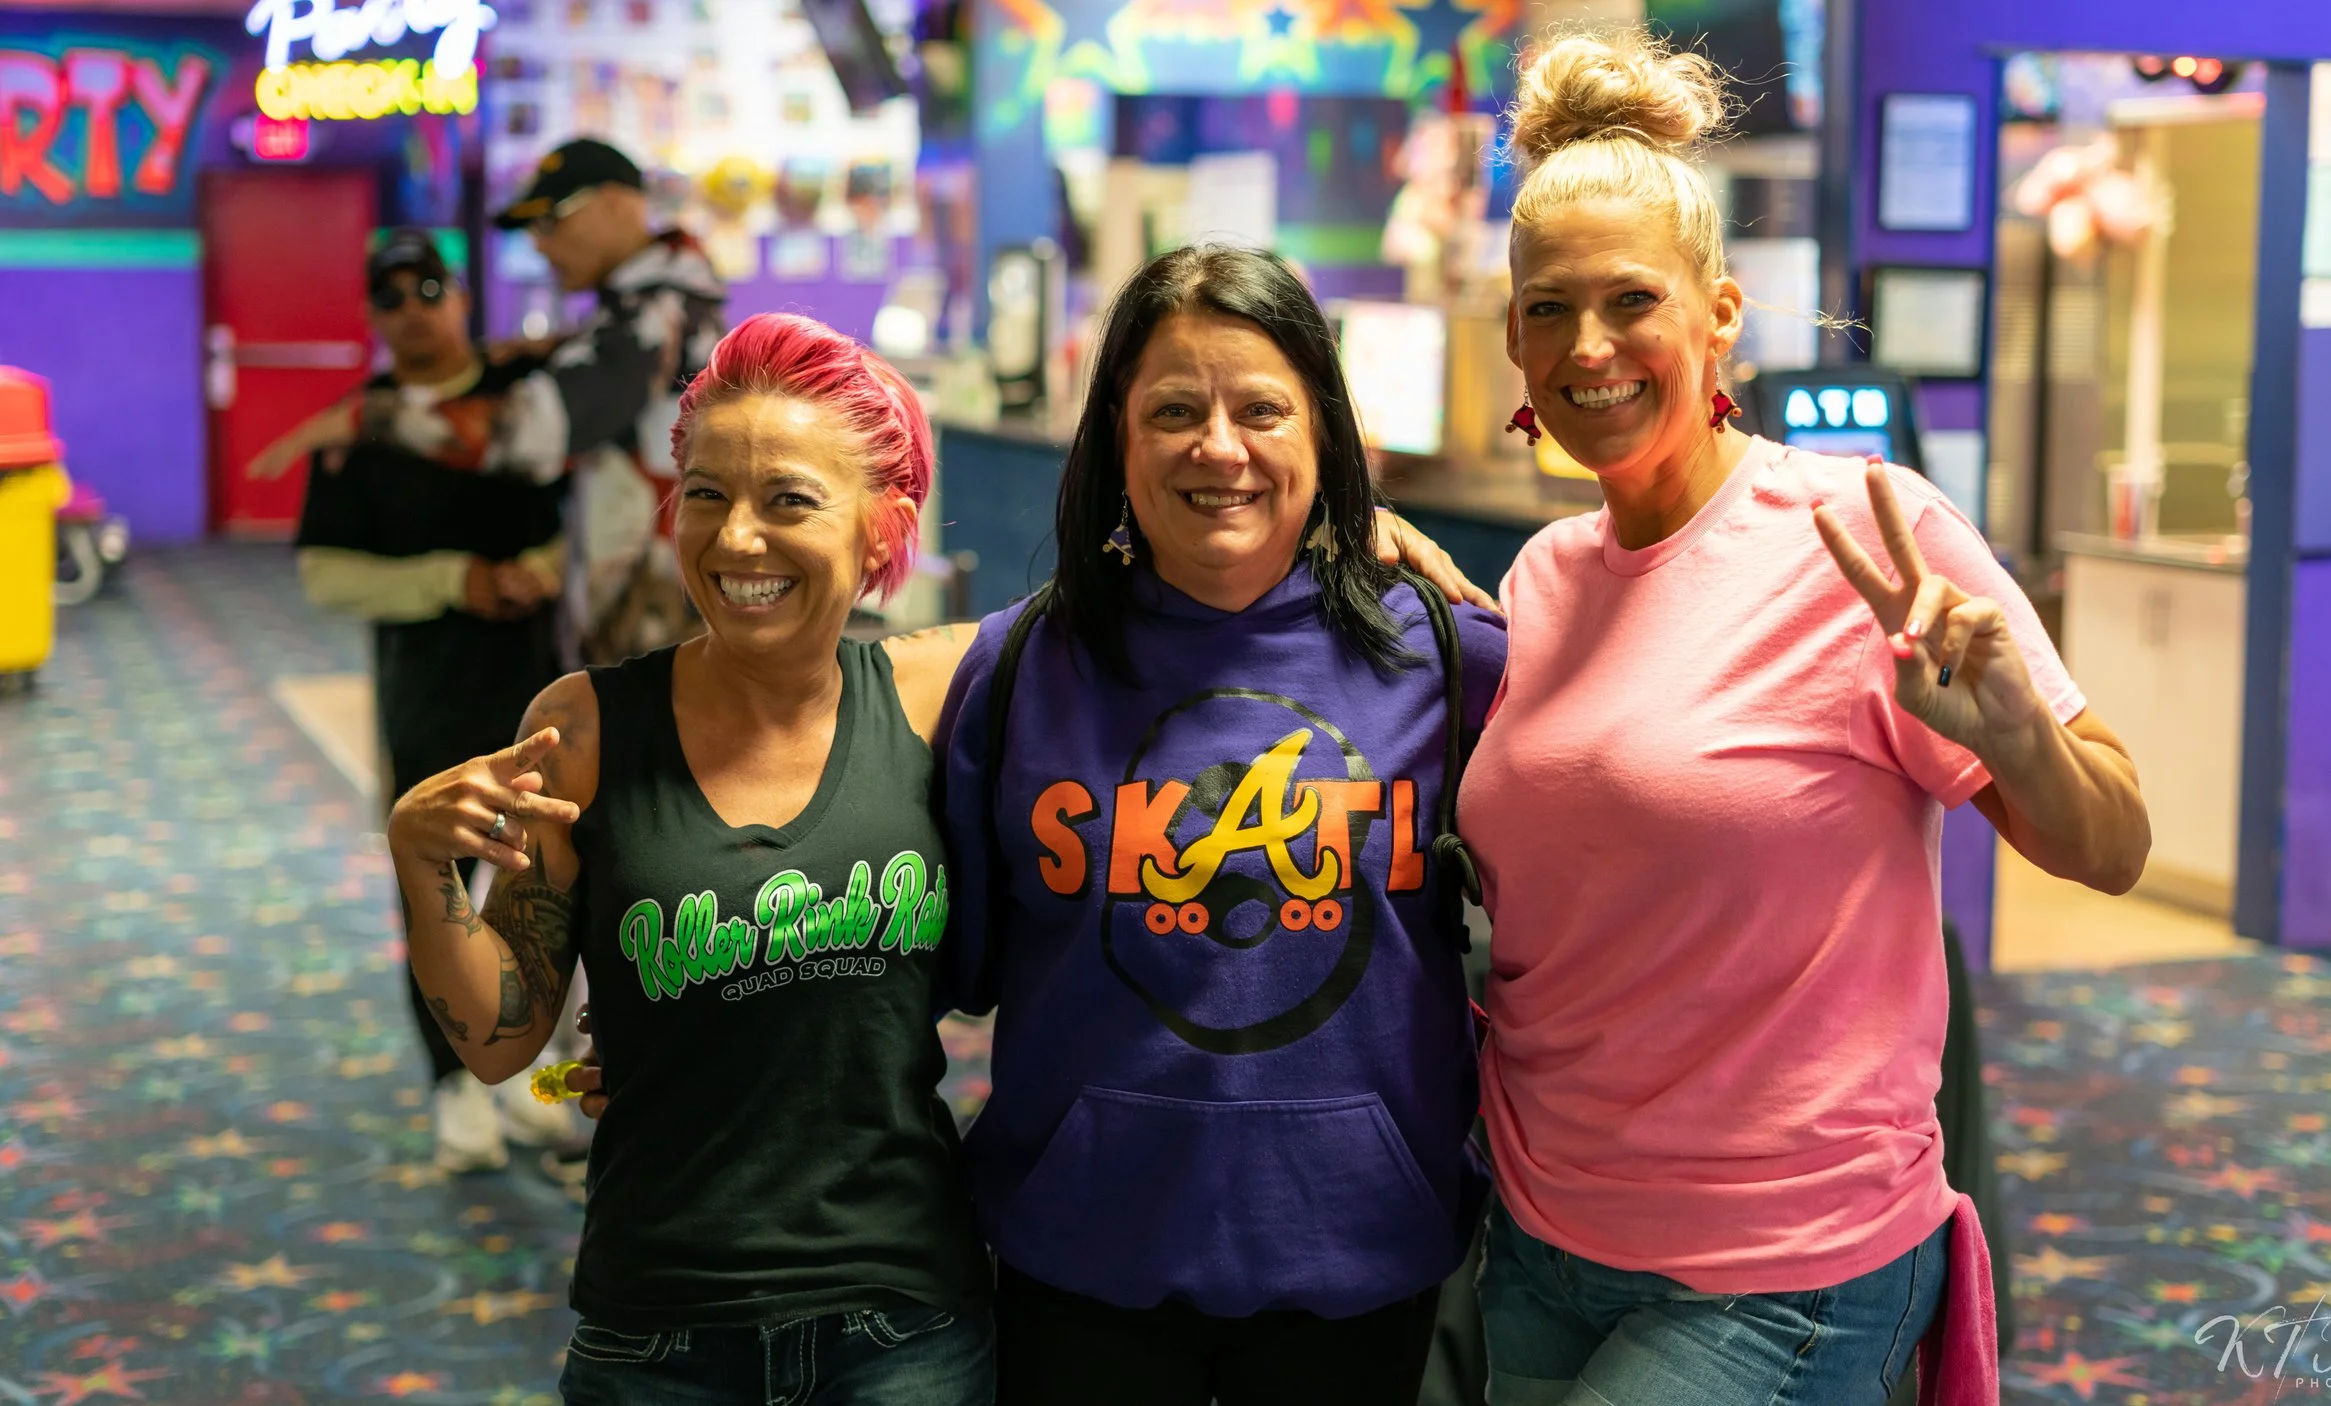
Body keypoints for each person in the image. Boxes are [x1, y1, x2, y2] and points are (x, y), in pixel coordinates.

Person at [1461, 33, 2151, 1405]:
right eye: (1549, 310)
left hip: (1783, 1263)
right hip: (1542, 1232)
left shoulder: (1862, 538)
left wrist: (2015, 734)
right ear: (1515, 341)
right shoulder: (1538, 580)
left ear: (1721, 315)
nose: (1588, 347)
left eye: (1630, 300)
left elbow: (2113, 842)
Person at [932, 244, 1508, 1406]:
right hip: (1082, 1252)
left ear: (1324, 432)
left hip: (1355, 1253)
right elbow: (956, 965)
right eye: (1175, 411)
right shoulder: (1016, 668)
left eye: (1262, 410)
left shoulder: (1452, 661)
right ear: (1115, 435)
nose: (1220, 447)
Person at [383, 314, 994, 1403]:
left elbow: (1154, 589)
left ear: (884, 524)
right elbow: (502, 1034)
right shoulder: (585, 728)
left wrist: (1385, 544)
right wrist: (426, 869)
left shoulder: (938, 692)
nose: (735, 539)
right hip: (659, 1321)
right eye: (706, 494)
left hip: (901, 1317)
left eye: (789, 499)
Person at [256, 228, 583, 1173]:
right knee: (436, 891)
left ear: (461, 296)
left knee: (548, 882)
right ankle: (452, 1085)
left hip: (551, 688)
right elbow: (325, 574)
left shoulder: (532, 404)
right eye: (390, 296)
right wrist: (451, 580)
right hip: (429, 694)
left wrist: (537, 572)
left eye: (428, 286)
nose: (413, 309)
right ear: (373, 315)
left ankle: (527, 1070)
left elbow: (594, 516)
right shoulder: (359, 431)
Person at [302, 139, 728, 666]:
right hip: (634, 622)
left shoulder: (650, 317)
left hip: (650, 633)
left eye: (551, 221)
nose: (540, 245)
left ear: (617, 203)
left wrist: (369, 417)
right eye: (390, 300)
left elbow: (529, 435)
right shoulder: (649, 310)